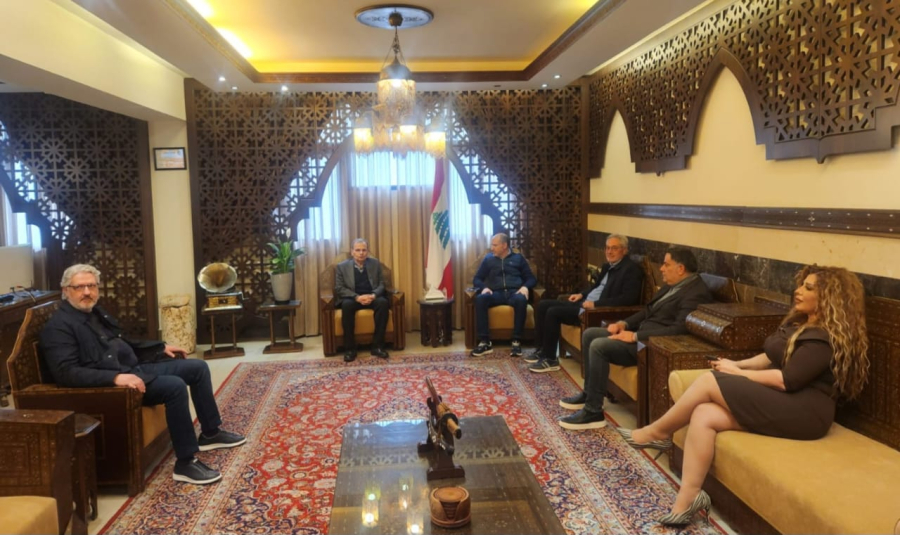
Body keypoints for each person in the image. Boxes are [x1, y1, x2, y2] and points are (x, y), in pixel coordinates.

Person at [619, 265, 869, 526]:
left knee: (709, 381)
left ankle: (657, 433)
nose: (798, 291)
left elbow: (787, 380)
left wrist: (737, 374)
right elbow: (770, 357)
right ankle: (688, 500)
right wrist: (737, 364)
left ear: (829, 297)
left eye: (808, 288)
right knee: (704, 414)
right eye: (801, 285)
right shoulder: (802, 323)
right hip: (786, 400)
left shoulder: (824, 338)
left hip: (806, 412)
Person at [40, 264, 246, 486]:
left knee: (197, 368)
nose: (87, 292)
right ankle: (185, 463)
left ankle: (210, 433)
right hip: (115, 384)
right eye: (79, 287)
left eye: (91, 286)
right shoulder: (58, 327)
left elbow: (125, 343)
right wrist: (115, 379)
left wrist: (160, 348)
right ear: (65, 290)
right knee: (175, 387)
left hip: (135, 368)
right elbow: (66, 373)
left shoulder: (95, 313)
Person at [559, 247, 712, 430]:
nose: (661, 269)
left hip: (651, 346)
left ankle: (593, 412)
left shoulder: (695, 293)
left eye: (666, 264)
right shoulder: (672, 286)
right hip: (641, 335)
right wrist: (623, 323)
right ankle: (589, 394)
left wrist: (635, 336)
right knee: (590, 333)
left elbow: (679, 329)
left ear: (680, 268)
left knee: (599, 346)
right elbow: (647, 311)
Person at [526, 234, 643, 373]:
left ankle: (551, 360)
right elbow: (596, 286)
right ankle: (541, 350)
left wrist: (596, 304)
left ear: (624, 250)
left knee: (553, 312)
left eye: (614, 248)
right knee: (543, 305)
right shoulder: (608, 266)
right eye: (607, 248)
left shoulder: (631, 270)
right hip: (584, 303)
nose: (609, 251)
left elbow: (628, 299)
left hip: (595, 312)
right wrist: (581, 294)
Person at [470, 233, 537, 357]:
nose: (492, 248)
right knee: (480, 299)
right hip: (496, 293)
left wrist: (524, 287)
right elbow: (477, 279)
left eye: (495, 245)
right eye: (492, 245)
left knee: (521, 300)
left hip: (514, 292)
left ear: (504, 245)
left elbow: (531, 278)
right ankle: (485, 342)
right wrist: (484, 288)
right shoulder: (488, 259)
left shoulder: (518, 258)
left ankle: (516, 341)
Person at [334, 238, 390, 362]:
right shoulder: (342, 267)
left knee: (383, 303)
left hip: (371, 296)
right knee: (346, 306)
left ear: (367, 251)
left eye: (364, 250)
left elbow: (381, 284)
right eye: (358, 250)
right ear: (352, 252)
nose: (361, 253)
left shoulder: (375, 264)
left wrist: (373, 295)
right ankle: (350, 349)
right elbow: (339, 288)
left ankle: (377, 346)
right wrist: (357, 297)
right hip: (353, 298)